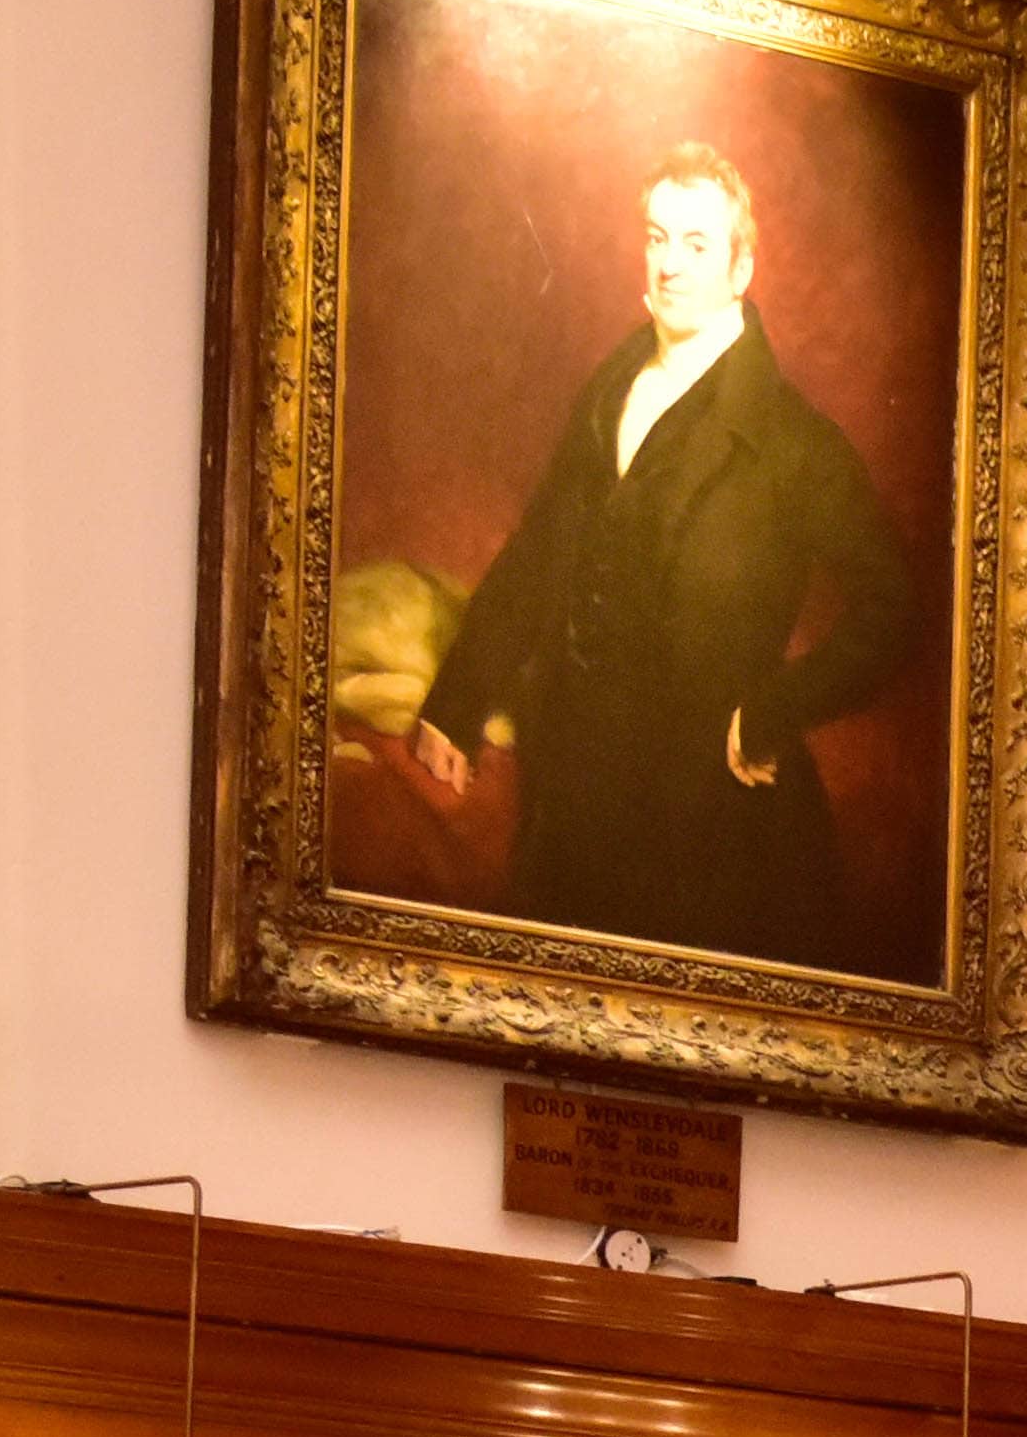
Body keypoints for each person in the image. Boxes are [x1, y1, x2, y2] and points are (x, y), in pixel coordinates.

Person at [391, 142, 922, 968]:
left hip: (707, 816)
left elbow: (894, 610)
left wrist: (776, 709)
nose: (671, 265)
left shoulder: (793, 442)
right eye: (657, 237)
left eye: (698, 244)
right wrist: (457, 700)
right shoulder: (613, 391)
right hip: (576, 794)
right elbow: (538, 556)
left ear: (741, 268)